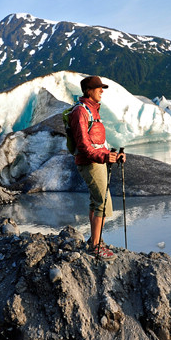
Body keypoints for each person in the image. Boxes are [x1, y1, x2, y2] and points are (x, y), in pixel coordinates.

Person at [69, 75, 126, 259]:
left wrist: (113, 155)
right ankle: (95, 246)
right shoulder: (81, 112)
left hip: (98, 161)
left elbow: (97, 142)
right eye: (98, 88)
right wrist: (103, 156)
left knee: (96, 201)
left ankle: (95, 240)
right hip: (90, 163)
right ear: (88, 90)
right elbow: (84, 145)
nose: (102, 91)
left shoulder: (94, 110)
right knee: (102, 202)